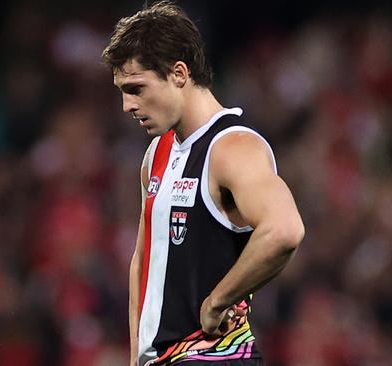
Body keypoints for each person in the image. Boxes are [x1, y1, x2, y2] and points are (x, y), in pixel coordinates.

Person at [102, 2, 305, 365]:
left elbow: (284, 229)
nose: (126, 105)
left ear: (179, 73)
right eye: (122, 90)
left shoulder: (232, 148)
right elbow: (143, 261)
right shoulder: (156, 154)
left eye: (136, 88)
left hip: (214, 356)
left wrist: (219, 300)